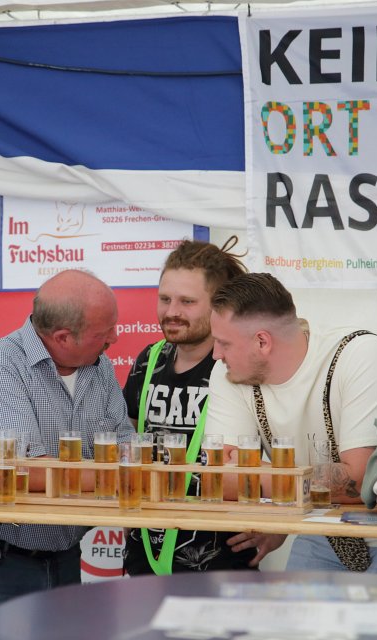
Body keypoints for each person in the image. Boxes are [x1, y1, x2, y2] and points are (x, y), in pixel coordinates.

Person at [206, 273, 377, 577]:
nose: (216, 354)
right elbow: (217, 479)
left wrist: (260, 475)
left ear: (262, 341)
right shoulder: (229, 373)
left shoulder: (361, 354)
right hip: (321, 533)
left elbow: (362, 481)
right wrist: (295, 485)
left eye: (223, 343)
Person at [0, 269, 134, 636]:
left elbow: (126, 447)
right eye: (104, 332)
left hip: (66, 554)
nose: (115, 338)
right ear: (63, 337)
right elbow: (26, 473)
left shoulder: (99, 367)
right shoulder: (0, 365)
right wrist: (125, 477)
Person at [121, 237, 257, 574]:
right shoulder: (148, 359)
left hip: (220, 564)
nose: (172, 312)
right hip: (144, 554)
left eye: (188, 301)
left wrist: (278, 529)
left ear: (219, 305)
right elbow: (127, 438)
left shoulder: (237, 366)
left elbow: (277, 453)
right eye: (165, 299)